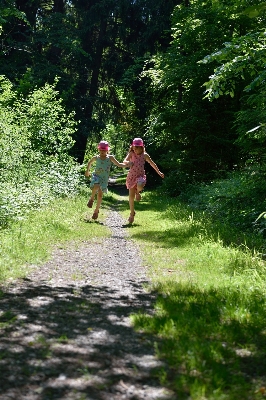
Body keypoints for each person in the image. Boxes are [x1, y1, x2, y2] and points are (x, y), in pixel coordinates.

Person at [85, 140, 130, 220]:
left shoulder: (110, 158)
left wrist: (127, 164)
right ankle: (91, 199)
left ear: (107, 150)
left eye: (104, 150)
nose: (102, 151)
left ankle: (96, 211)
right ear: (98, 149)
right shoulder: (96, 157)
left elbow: (119, 164)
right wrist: (87, 171)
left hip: (104, 179)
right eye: (101, 150)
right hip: (96, 176)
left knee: (100, 195)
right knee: (96, 186)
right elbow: (90, 162)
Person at [123, 137, 164, 223]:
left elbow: (152, 164)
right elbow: (124, 161)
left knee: (140, 186)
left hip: (140, 176)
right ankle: (132, 213)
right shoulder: (131, 153)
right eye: (134, 147)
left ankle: (138, 192)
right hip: (131, 176)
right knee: (131, 197)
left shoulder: (145, 155)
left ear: (141, 147)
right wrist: (128, 163)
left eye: (137, 147)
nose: (135, 148)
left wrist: (159, 172)